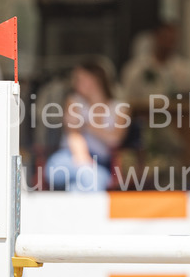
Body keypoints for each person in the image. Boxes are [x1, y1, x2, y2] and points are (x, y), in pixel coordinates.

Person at [45, 58, 128, 191]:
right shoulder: (73, 101)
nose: (75, 83)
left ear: (95, 80)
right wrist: (84, 161)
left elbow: (115, 139)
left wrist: (86, 124)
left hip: (100, 163)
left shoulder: (119, 108)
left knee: (81, 184)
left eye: (80, 79)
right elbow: (73, 135)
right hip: (67, 158)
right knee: (89, 178)